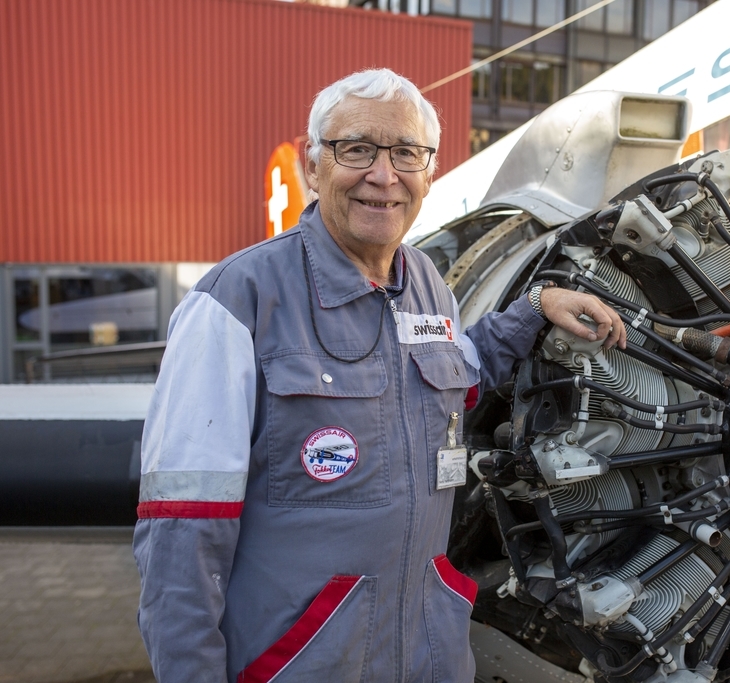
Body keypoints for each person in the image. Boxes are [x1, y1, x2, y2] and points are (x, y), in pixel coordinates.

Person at [133, 68, 627, 683]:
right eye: (357, 149)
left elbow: (456, 380)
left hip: (426, 656)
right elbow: (182, 534)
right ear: (314, 167)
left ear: (428, 171)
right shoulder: (233, 301)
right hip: (299, 663)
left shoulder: (426, 286)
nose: (384, 175)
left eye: (406, 154)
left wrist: (534, 308)